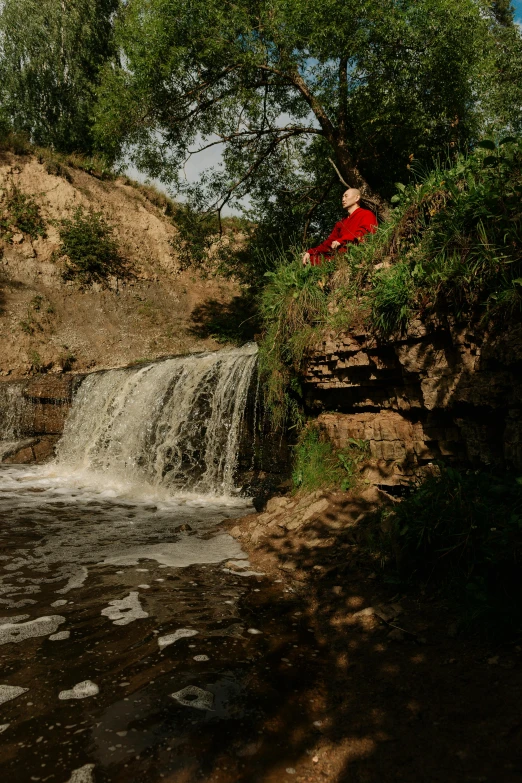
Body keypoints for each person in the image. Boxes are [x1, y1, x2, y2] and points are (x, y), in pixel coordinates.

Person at [302, 188, 377, 266]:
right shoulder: (341, 222)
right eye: (342, 197)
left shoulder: (367, 214)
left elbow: (365, 232)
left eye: (346, 196)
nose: (343, 199)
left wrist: (342, 240)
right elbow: (329, 242)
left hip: (356, 253)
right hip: (338, 257)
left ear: (356, 198)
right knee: (310, 259)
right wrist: (311, 252)